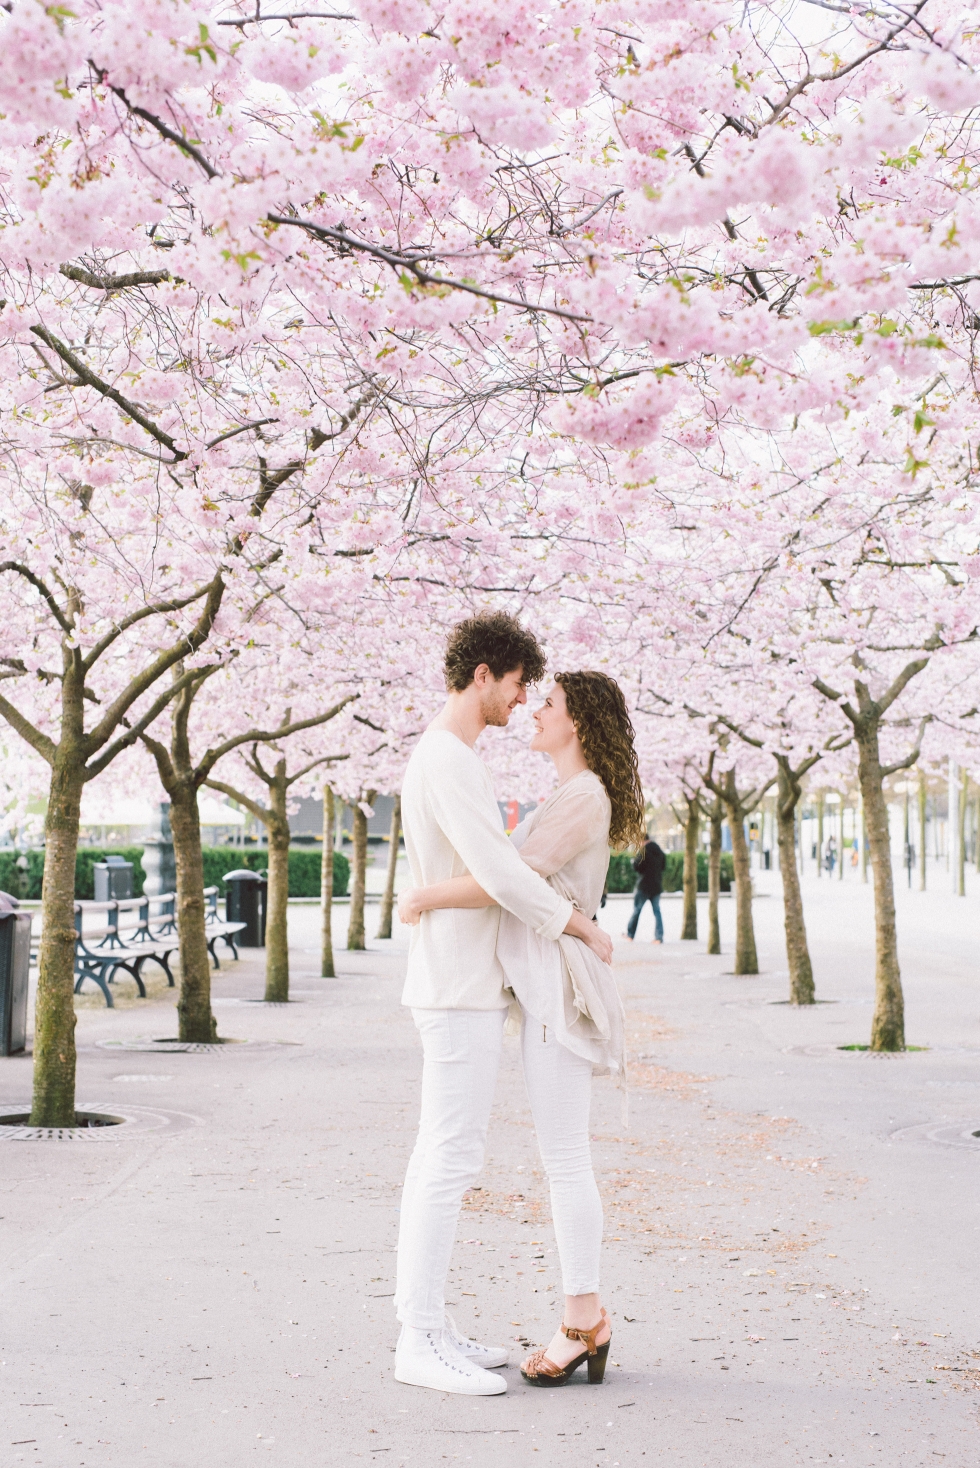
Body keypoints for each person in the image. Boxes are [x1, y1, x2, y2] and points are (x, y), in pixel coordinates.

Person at [400, 667, 646, 1390]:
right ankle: (584, 1316)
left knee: (565, 1155)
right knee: (560, 1153)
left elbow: (508, 876)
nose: (535, 711)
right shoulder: (570, 794)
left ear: (579, 722)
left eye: (551, 704)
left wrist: (425, 895)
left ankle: (583, 1321)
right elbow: (514, 873)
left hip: (558, 987)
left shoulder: (584, 796)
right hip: (544, 983)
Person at [625, 833, 665, 943]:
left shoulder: (643, 851)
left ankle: (630, 934)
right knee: (657, 912)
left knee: (637, 910)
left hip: (644, 886)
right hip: (656, 885)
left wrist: (633, 862)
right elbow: (664, 865)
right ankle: (659, 936)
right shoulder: (659, 850)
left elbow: (637, 867)